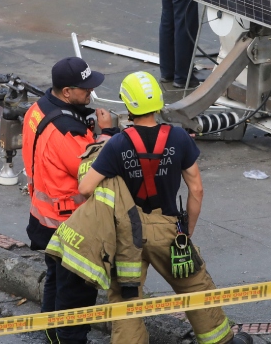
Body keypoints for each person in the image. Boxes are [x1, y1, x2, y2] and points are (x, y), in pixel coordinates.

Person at [78, 71, 253, 344]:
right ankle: (221, 341)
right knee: (195, 285)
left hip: (127, 235)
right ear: (158, 102)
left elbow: (86, 188)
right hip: (168, 229)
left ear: (128, 104)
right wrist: (187, 231)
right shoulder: (179, 138)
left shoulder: (117, 144)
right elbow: (197, 189)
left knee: (126, 300)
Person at [22, 56, 113, 344]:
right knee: (76, 291)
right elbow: (93, 171)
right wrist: (107, 134)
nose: (91, 93)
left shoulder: (38, 109)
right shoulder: (67, 130)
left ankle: (52, 334)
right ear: (66, 92)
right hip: (69, 221)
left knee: (56, 279)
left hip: (43, 216)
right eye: (85, 89)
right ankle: (70, 339)